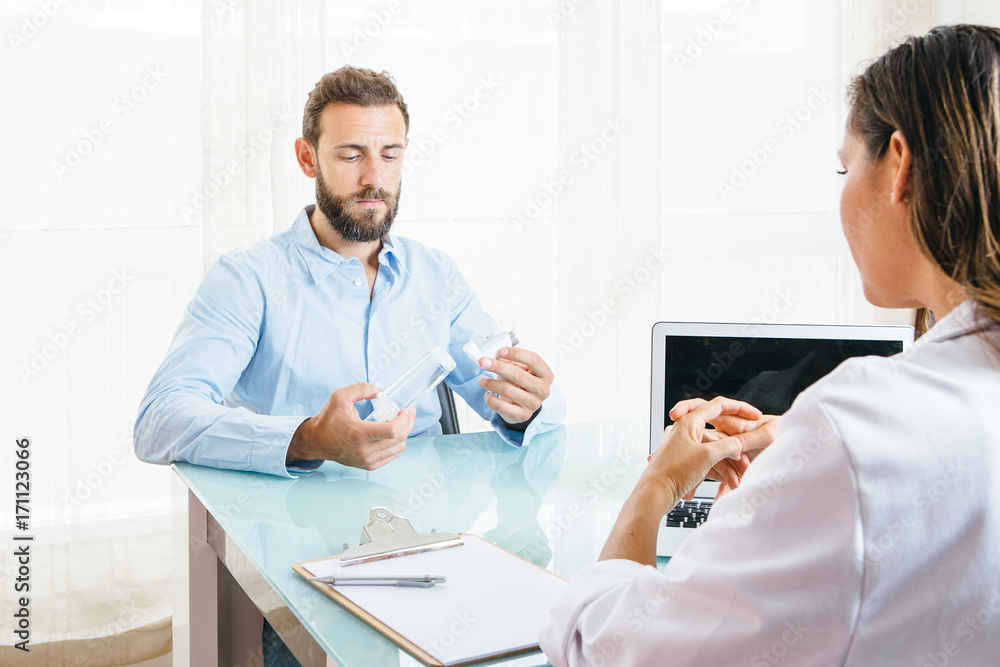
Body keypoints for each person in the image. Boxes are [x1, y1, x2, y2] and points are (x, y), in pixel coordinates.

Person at [540, 24, 1000, 665]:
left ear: (900, 166)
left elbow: (607, 649)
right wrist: (805, 456)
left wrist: (658, 484)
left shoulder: (857, 425)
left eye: (845, 167)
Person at [133, 66, 565, 479]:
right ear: (307, 158)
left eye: (389, 154)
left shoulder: (437, 276)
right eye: (351, 155)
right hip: (294, 528)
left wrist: (527, 405)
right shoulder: (247, 280)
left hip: (427, 528)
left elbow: (521, 405)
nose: (374, 178)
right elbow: (160, 420)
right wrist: (306, 440)